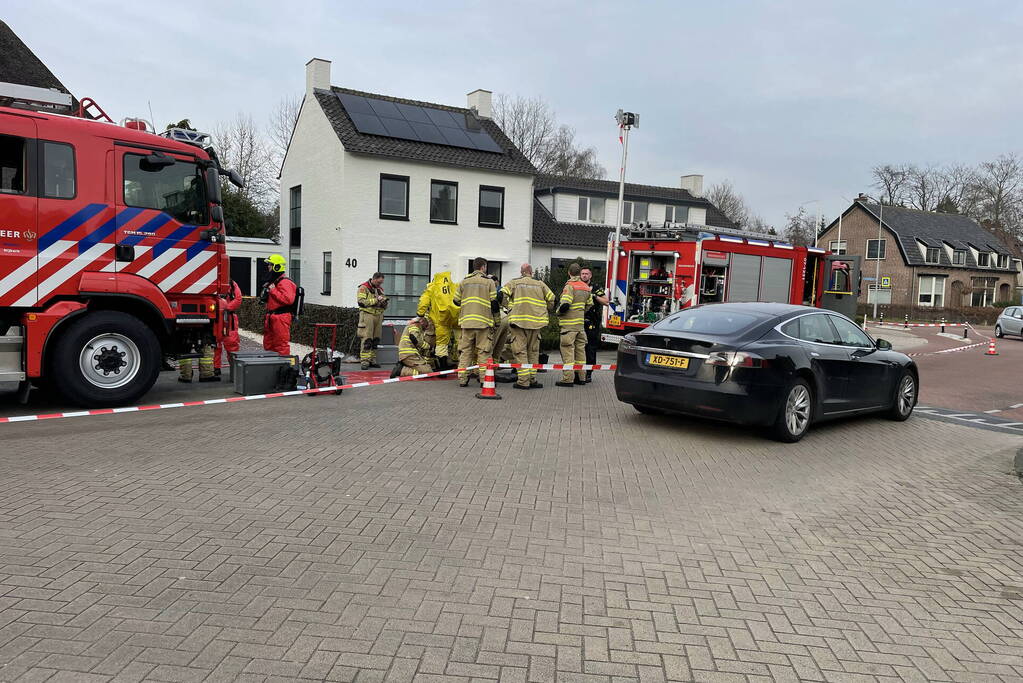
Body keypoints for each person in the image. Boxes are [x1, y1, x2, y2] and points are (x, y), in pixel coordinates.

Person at [500, 263, 555, 390]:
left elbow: (501, 295)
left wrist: (509, 308)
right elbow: (552, 299)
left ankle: (523, 382)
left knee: (520, 352)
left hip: (518, 323)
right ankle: (532, 379)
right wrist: (543, 310)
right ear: (532, 272)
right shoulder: (541, 284)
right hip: (536, 324)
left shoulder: (514, 283)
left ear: (521, 272)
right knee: (533, 352)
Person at [453, 257, 497, 387]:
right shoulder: (489, 282)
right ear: (483, 267)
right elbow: (494, 304)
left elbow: (455, 301)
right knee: (483, 352)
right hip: (483, 323)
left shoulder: (464, 282)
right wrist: (497, 321)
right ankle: (484, 380)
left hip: (467, 323)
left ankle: (462, 379)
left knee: (465, 351)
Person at [556, 262, 592, 387]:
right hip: (580, 326)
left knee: (568, 352)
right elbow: (589, 304)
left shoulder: (569, 286)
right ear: (579, 273)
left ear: (569, 273)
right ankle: (581, 377)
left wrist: (558, 312)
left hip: (568, 326)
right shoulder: (586, 287)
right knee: (580, 353)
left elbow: (565, 304)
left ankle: (568, 379)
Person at [416, 271, 458, 369]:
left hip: (439, 320)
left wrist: (420, 314)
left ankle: (442, 369)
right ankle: (454, 364)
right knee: (455, 342)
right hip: (453, 319)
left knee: (441, 344)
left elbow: (423, 302)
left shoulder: (432, 287)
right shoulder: (454, 286)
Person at [260, 254, 298, 356]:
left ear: (276, 267)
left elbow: (288, 300)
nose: (268, 267)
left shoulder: (285, 282)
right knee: (269, 344)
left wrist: (273, 290)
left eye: (270, 265)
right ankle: (271, 367)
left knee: (281, 344)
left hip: (281, 317)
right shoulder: (275, 282)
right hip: (273, 317)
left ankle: (283, 368)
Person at [580, 267, 609, 383]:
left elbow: (606, 301)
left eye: (586, 274)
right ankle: (578, 372)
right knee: (579, 348)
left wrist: (594, 296)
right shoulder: (577, 286)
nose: (584, 276)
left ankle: (588, 373)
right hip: (579, 321)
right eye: (582, 274)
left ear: (590, 275)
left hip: (592, 323)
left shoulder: (596, 287)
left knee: (590, 348)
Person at [356, 272, 388, 369]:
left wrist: (384, 302)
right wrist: (376, 300)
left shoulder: (380, 289)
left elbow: (385, 305)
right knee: (367, 338)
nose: (380, 285)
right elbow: (361, 302)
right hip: (367, 315)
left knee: (376, 339)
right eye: (378, 282)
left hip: (378, 316)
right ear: (374, 279)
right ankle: (365, 361)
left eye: (381, 283)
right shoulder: (363, 288)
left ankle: (372, 360)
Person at [214, 279, 243, 377]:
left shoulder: (231, 284)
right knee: (216, 343)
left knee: (231, 343)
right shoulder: (214, 282)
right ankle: (216, 368)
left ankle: (234, 368)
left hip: (228, 318)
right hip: (218, 317)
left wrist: (225, 308)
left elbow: (238, 299)